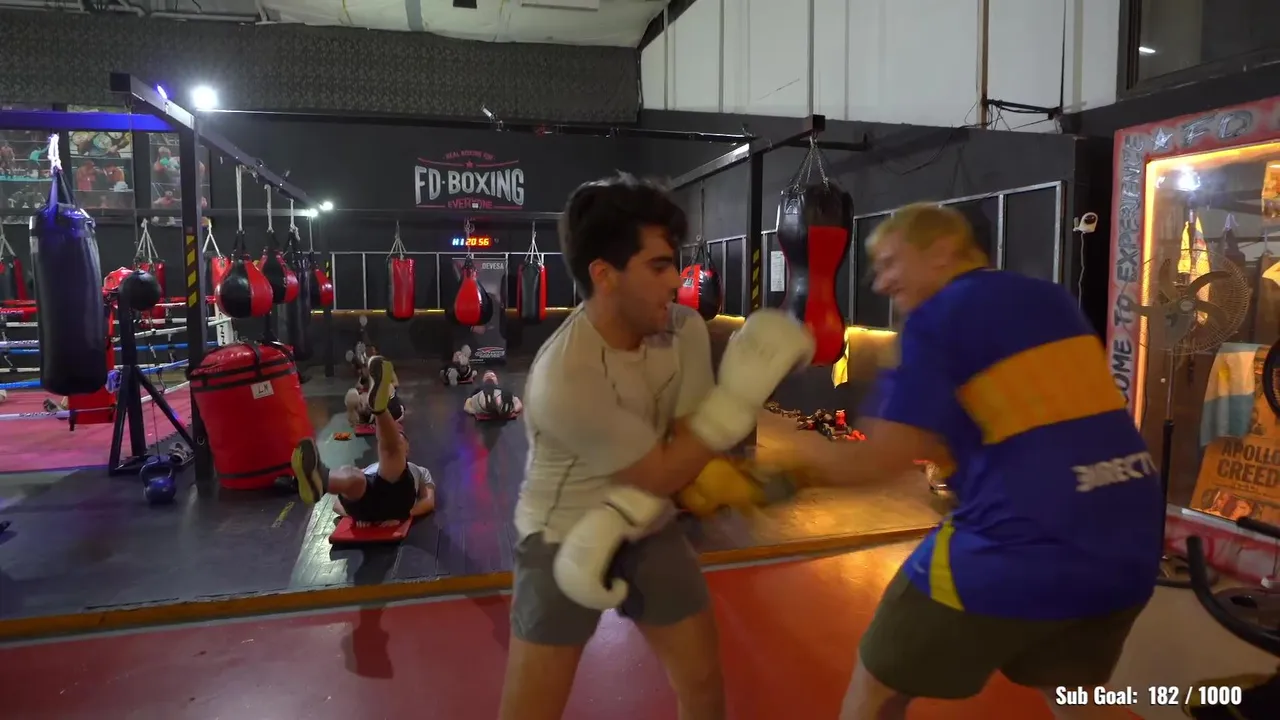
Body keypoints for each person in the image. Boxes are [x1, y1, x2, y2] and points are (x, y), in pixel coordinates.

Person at [794, 203, 1162, 720]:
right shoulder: (1050, 298)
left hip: (1019, 542)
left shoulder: (937, 316)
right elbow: (1027, 418)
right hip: (1130, 538)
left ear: (942, 251)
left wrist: (785, 471)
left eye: (890, 262)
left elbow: (881, 459)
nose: (880, 283)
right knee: (1075, 697)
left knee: (876, 688)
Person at [498, 173, 814, 720]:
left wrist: (726, 481)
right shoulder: (567, 375)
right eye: (659, 266)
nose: (676, 280)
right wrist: (738, 399)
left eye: (675, 263)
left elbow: (687, 439)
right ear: (605, 275)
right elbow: (661, 471)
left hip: (648, 524)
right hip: (561, 537)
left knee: (703, 681)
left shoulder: (683, 329)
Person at [293, 357, 433, 526]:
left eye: (402, 439)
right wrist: (357, 516)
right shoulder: (370, 467)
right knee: (353, 475)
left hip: (397, 500)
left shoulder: (420, 471)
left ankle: (379, 409)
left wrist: (406, 515)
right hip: (365, 504)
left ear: (408, 449)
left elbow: (429, 500)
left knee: (389, 452)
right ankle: (322, 481)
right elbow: (336, 505)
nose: (399, 439)